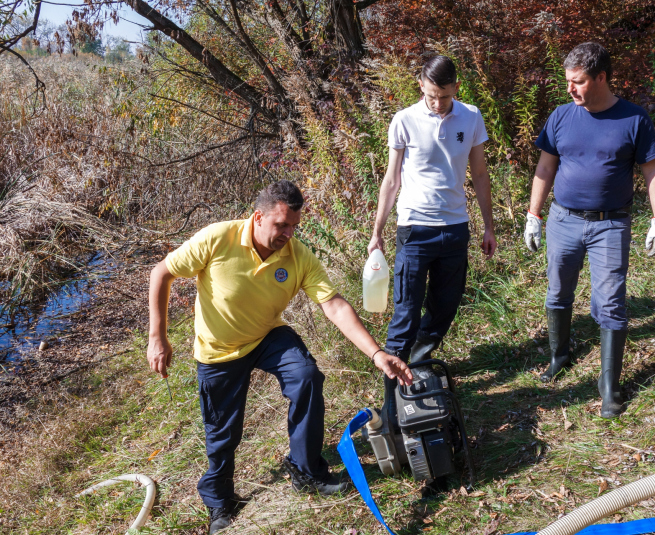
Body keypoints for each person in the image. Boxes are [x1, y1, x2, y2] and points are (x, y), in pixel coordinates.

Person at [147, 180, 413, 534]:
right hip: (219, 350)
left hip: (267, 335)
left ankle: (306, 471)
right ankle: (220, 501)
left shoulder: (297, 256)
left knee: (306, 375)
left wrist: (377, 353)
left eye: (293, 226)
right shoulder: (217, 238)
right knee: (223, 434)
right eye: (281, 225)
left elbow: (332, 304)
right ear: (258, 217)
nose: (288, 233)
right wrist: (157, 337)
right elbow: (161, 272)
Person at [524, 42, 655, 419]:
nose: (570, 89)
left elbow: (652, 169)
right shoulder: (560, 116)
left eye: (579, 81)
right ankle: (560, 356)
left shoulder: (633, 119)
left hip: (611, 222)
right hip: (563, 220)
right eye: (568, 81)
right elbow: (545, 167)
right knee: (558, 292)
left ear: (601, 77)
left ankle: (609, 385)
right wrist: (533, 215)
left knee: (610, 302)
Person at [367, 55, 496, 413]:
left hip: (455, 228)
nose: (437, 104)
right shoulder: (404, 120)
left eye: (443, 95)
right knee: (405, 313)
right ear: (421, 86)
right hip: (414, 230)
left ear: (456, 87)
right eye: (431, 95)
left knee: (445, 306)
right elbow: (392, 180)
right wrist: (377, 231)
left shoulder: (470, 116)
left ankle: (418, 362)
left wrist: (488, 225)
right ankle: (392, 399)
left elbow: (480, 175)